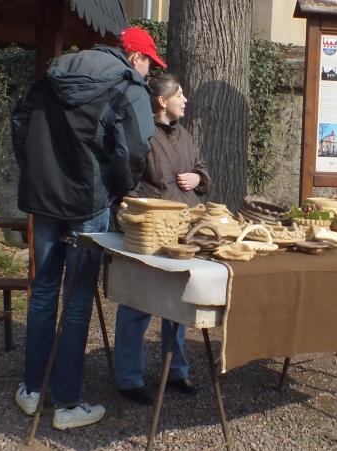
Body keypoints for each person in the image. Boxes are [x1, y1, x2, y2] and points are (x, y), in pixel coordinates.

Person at [11, 28, 167, 430]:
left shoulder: (53, 75)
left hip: (44, 198)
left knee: (43, 292)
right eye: (149, 62)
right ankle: (66, 403)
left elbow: (20, 123)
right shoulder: (126, 86)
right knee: (77, 298)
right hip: (88, 201)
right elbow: (134, 150)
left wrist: (34, 172)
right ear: (134, 57)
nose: (150, 72)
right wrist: (117, 190)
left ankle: (32, 391)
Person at [114, 73, 211, 405]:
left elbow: (202, 170)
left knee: (178, 305)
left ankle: (176, 371)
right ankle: (128, 378)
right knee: (137, 303)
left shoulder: (185, 135)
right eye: (179, 95)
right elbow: (125, 180)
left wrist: (197, 176)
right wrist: (138, 215)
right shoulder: (141, 134)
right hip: (148, 235)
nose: (185, 100)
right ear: (161, 101)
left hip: (183, 234)